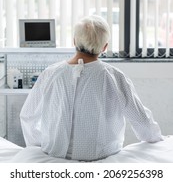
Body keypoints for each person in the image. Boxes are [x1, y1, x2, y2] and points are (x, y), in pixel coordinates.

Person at [20, 15, 163, 161]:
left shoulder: (50, 74)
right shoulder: (114, 77)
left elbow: (28, 115)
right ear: (104, 46)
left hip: (53, 155)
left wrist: (39, 146)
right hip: (101, 156)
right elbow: (141, 120)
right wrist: (157, 139)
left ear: (74, 41)